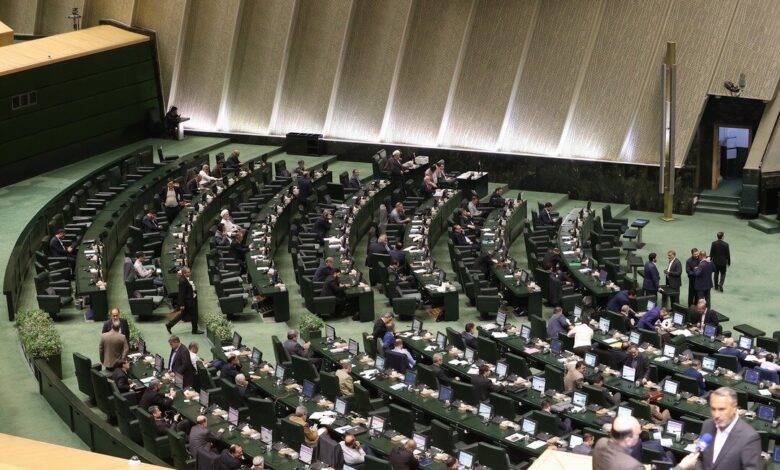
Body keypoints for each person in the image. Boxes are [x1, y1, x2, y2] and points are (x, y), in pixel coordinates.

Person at [592, 416, 698, 470]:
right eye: (637, 434)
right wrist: (682, 466)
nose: (639, 437)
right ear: (628, 440)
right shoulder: (633, 466)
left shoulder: (600, 443)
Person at [698, 387, 761, 469]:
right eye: (713, 409)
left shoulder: (749, 437)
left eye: (721, 409)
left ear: (734, 408)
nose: (716, 415)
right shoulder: (707, 425)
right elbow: (699, 459)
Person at [167, 267, 202, 334]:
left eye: (190, 271)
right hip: (189, 301)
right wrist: (182, 304)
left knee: (182, 315)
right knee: (194, 315)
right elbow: (181, 294)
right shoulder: (182, 281)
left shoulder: (185, 278)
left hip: (190, 299)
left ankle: (169, 325)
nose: (190, 273)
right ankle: (194, 330)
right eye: (188, 272)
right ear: (184, 273)